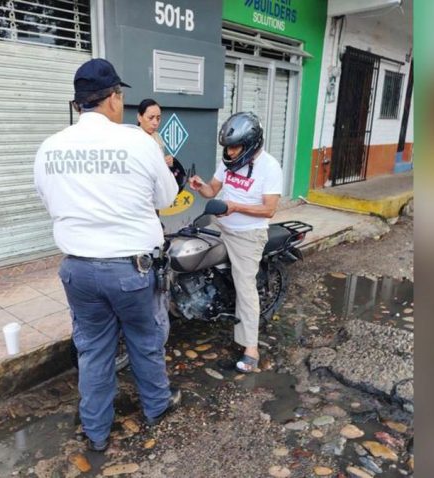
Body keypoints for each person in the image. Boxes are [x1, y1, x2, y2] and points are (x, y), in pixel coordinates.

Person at [33, 58, 182, 453]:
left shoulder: (49, 148)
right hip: (131, 270)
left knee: (93, 351)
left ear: (78, 102)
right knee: (144, 340)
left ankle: (96, 432)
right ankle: (156, 406)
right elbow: (167, 198)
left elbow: (49, 202)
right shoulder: (139, 143)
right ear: (114, 98)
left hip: (78, 271)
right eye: (121, 96)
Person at [187, 112, 282, 373]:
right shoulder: (228, 163)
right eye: (227, 148)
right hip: (220, 227)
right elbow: (212, 191)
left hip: (248, 235)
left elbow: (269, 210)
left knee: (245, 287)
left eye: (235, 147)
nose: (229, 152)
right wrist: (200, 186)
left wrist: (235, 207)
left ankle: (251, 348)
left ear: (250, 144)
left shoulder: (270, 167)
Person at [136, 98, 174, 167]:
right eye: (151, 118)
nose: (155, 123)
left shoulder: (158, 137)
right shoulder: (132, 139)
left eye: (158, 118)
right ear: (139, 117)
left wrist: (166, 163)